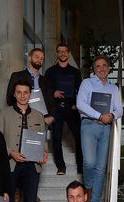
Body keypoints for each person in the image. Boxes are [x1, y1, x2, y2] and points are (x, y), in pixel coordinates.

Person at [76, 55, 123, 202]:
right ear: (94, 69)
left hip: (106, 129)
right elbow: (80, 104)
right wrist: (99, 116)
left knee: (101, 168)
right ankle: (88, 186)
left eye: (104, 65)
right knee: (89, 162)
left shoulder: (113, 88)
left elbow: (119, 110)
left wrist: (112, 115)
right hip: (89, 125)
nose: (101, 69)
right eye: (98, 66)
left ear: (109, 68)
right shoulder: (87, 83)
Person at [2, 80, 49, 202]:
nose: (22, 96)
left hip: (32, 166)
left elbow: (43, 139)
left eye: (26, 92)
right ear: (14, 94)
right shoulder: (3, 113)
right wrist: (11, 153)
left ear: (30, 94)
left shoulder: (39, 115)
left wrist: (44, 153)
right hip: (11, 165)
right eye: (19, 92)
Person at [45, 43, 83, 175]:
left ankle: (80, 167)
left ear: (68, 53)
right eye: (60, 51)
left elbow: (81, 91)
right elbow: (45, 91)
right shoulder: (50, 72)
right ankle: (61, 167)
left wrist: (77, 104)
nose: (62, 53)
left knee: (79, 137)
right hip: (56, 108)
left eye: (65, 51)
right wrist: (53, 93)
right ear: (57, 53)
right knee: (56, 138)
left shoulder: (75, 72)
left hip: (71, 108)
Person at [6, 47, 55, 127]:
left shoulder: (46, 80)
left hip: (42, 120)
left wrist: (52, 117)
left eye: (42, 59)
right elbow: (10, 98)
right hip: (20, 118)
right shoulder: (17, 76)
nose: (39, 60)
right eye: (37, 57)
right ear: (29, 58)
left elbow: (51, 100)